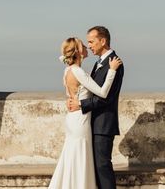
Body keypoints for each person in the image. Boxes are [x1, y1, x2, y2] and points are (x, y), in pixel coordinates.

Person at [48, 36, 122, 189]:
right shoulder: (78, 71)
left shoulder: (67, 70)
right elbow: (102, 92)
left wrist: (77, 102)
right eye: (83, 44)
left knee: (72, 156)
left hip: (72, 118)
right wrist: (112, 71)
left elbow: (72, 95)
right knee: (80, 157)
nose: (87, 46)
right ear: (78, 51)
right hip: (80, 120)